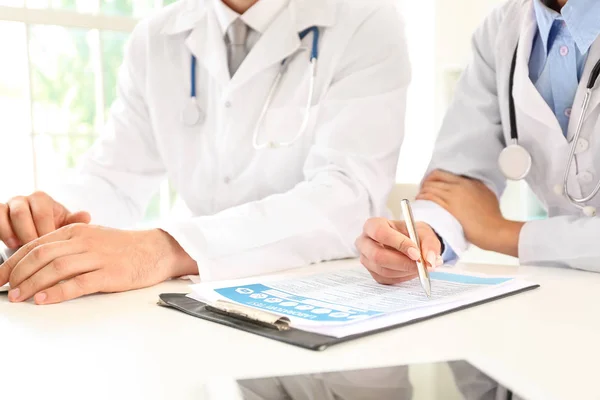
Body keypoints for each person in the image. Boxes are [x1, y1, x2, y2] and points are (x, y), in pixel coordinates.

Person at [0, 0, 411, 305]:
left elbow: (346, 199)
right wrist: (52, 221)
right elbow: (114, 178)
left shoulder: (365, 19)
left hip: (322, 299)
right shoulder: (155, 36)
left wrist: (165, 249)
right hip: (204, 301)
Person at [357, 0, 600, 287]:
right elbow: (455, 183)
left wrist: (503, 233)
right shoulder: (503, 29)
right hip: (565, 294)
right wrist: (425, 234)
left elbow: (479, 217)